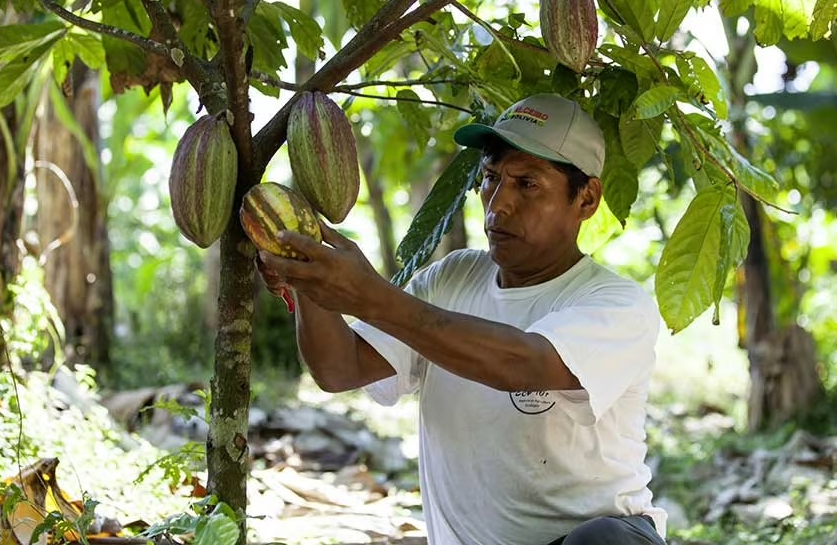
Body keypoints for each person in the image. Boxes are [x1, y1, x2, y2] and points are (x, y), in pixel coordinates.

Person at [256, 93, 668, 545]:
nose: (498, 205)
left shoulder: (614, 304)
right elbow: (340, 369)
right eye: (491, 178)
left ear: (586, 199)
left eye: (527, 184)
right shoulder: (453, 278)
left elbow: (524, 365)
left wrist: (372, 298)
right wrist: (305, 273)